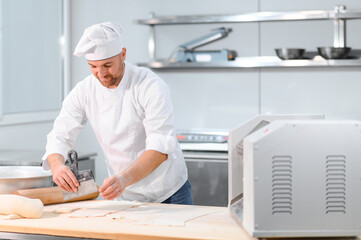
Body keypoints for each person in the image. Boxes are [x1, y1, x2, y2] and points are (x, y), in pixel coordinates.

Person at [42, 22, 193, 205]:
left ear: (123, 54)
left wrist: (124, 180)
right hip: (124, 194)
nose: (101, 74)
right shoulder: (84, 91)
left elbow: (159, 148)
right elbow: (60, 134)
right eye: (93, 67)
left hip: (167, 191)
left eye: (107, 65)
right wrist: (57, 166)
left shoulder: (150, 86)